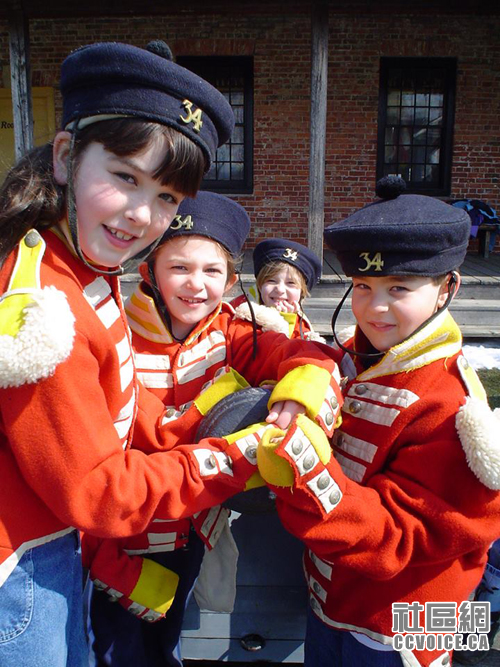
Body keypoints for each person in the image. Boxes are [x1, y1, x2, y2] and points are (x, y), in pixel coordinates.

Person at [0, 39, 292, 667]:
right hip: (23, 568)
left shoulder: (80, 264)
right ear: (65, 156)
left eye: (167, 197)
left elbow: (117, 418)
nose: (141, 215)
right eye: (125, 177)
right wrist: (242, 453)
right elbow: (99, 491)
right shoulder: (42, 306)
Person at [84, 190, 344, 666]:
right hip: (112, 543)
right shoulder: (112, 333)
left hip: (190, 536)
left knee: (167, 647)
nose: (196, 284)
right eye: (179, 267)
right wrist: (111, 567)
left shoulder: (231, 333)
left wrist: (297, 396)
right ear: (150, 270)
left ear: (230, 280)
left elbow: (310, 355)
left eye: (212, 271)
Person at [255, 176, 500, 667]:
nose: (375, 307)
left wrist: (304, 475)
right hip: (336, 598)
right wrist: (309, 375)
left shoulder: (451, 405)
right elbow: (320, 352)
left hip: (398, 626)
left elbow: (401, 536)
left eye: (399, 288)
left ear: (447, 288)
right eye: (363, 287)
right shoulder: (362, 350)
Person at [231, 238, 324, 341]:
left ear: (302, 291)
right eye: (271, 281)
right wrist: (277, 324)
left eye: (291, 283)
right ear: (260, 285)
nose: (280, 289)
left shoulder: (302, 326)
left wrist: (288, 321)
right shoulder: (238, 315)